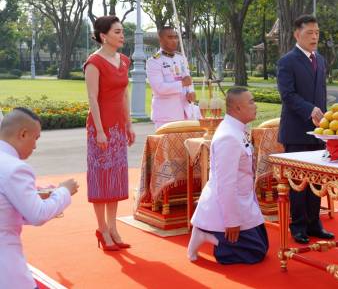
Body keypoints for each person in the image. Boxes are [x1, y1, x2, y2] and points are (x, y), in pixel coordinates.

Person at [0, 108, 79, 289]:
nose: (35, 147)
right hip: (7, 272)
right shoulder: (15, 168)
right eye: (35, 138)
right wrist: (64, 191)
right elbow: (38, 214)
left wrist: (36, 196)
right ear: (23, 134)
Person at [188, 87, 268, 264]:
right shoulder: (228, 137)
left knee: (263, 245)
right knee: (255, 253)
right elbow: (226, 184)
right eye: (251, 102)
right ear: (237, 108)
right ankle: (207, 235)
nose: (256, 106)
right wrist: (232, 221)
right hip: (227, 203)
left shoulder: (237, 128)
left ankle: (213, 235)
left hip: (243, 199)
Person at [276, 15, 334, 244]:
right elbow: (287, 95)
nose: (314, 37)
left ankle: (314, 223)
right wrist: (310, 110)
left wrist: (327, 123)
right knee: (299, 182)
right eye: (310, 32)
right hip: (296, 130)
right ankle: (298, 225)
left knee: (316, 181)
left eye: (317, 32)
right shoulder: (287, 61)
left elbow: (321, 94)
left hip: (318, 131)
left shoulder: (320, 59)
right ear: (297, 34)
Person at [84, 15, 135, 251]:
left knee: (115, 178)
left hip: (118, 129)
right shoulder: (94, 62)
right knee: (100, 178)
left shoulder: (124, 60)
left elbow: (124, 95)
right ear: (103, 36)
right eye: (117, 31)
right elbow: (92, 98)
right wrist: (100, 131)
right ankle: (102, 229)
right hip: (100, 129)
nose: (122, 35)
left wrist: (128, 125)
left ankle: (114, 228)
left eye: (122, 31)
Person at [146, 26, 200, 129]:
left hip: (185, 112)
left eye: (175, 37)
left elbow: (188, 79)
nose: (174, 40)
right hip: (166, 116)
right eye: (170, 37)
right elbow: (159, 88)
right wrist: (182, 84)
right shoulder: (154, 62)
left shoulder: (181, 58)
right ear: (160, 40)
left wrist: (191, 92)